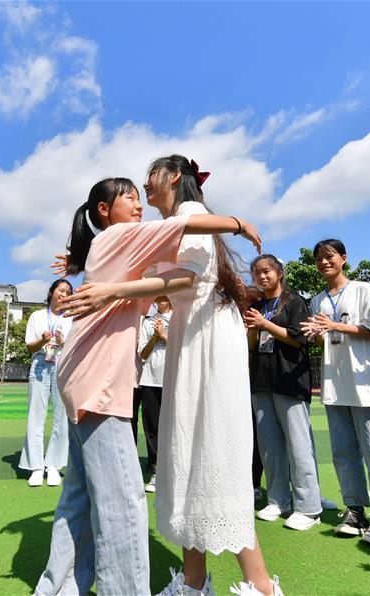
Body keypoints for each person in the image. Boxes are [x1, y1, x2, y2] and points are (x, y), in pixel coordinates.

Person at [34, 176, 261, 596]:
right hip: (100, 380)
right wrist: (238, 223)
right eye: (129, 198)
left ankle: (59, 587)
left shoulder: (112, 243)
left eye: (141, 197)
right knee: (122, 503)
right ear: (105, 210)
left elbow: (172, 280)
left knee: (79, 498)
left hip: (82, 374)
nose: (139, 205)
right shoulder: (122, 235)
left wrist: (77, 262)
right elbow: (187, 225)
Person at [301, 239, 370, 549]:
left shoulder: (362, 289)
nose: (323, 262)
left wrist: (333, 326)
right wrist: (318, 334)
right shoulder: (317, 300)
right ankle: (355, 511)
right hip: (335, 386)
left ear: (343, 258)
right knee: (343, 454)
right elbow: (326, 343)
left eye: (329, 256)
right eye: (318, 258)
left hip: (367, 386)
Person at [245, 254, 323, 534]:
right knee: (269, 446)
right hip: (261, 380)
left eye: (267, 271)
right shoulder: (256, 306)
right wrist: (252, 329)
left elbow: (298, 340)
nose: (262, 276)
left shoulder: (295, 302)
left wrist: (265, 325)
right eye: (257, 273)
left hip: (290, 380)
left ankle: (309, 507)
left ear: (279, 272)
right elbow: (252, 346)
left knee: (299, 445)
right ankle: (278, 500)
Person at [19, 279, 73, 487]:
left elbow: (74, 347)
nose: (64, 294)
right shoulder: (37, 316)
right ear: (51, 292)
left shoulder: (71, 318)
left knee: (62, 417)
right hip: (40, 363)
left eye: (68, 292)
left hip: (62, 364)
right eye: (61, 290)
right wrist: (43, 340)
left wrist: (62, 342)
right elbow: (30, 347)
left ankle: (53, 466)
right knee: (36, 416)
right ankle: (36, 467)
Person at [133, 294, 172, 493]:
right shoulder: (148, 322)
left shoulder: (179, 319)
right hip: (150, 379)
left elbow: (185, 348)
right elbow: (142, 353)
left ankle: (173, 470)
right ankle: (157, 470)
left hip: (173, 378)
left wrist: (164, 335)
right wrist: (155, 336)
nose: (161, 299)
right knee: (152, 425)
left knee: (172, 425)